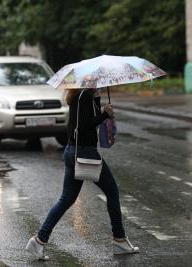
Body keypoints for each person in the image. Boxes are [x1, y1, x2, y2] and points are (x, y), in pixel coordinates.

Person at [25, 88, 139, 260]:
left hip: (73, 151)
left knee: (66, 200)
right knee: (112, 192)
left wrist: (98, 100)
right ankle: (119, 239)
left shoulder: (80, 96)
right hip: (85, 153)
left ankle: (39, 240)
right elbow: (84, 125)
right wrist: (105, 114)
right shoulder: (84, 95)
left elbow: (84, 119)